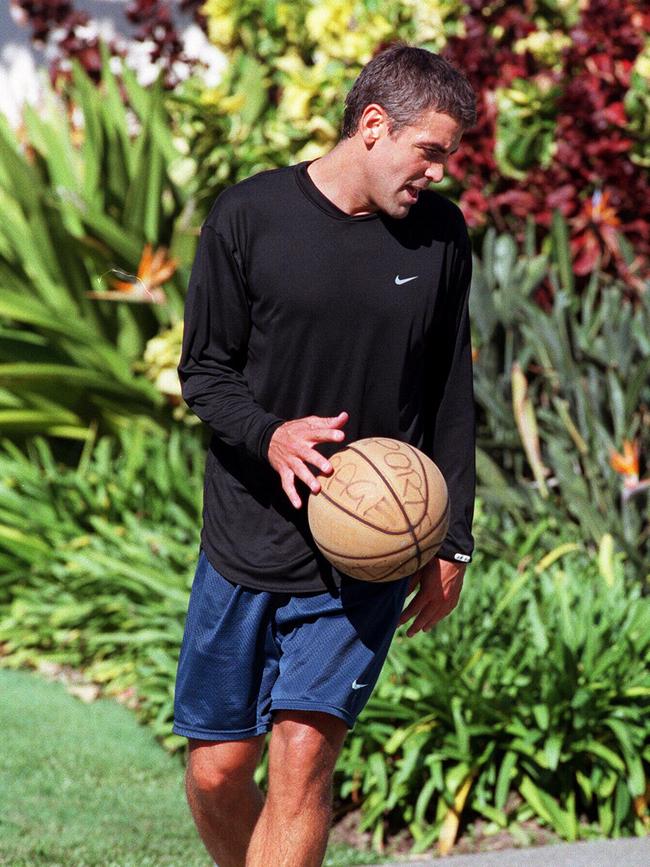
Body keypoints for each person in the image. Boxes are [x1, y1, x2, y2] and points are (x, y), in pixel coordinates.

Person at [173, 43, 477, 867]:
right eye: (432, 151)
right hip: (246, 537)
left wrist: (453, 537)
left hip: (365, 552)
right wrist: (270, 432)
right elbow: (202, 369)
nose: (439, 174)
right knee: (216, 771)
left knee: (302, 760)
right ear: (374, 126)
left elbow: (451, 388)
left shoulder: (442, 238)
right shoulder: (249, 217)